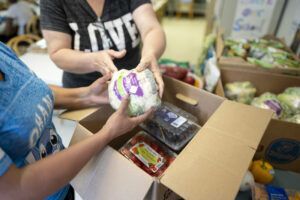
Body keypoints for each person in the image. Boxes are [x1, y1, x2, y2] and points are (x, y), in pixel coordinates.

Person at [0, 42, 153, 200]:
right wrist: (107, 133)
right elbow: (14, 189)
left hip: (65, 183)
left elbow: (29, 92)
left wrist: (86, 96)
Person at [40, 0, 166, 97]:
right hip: (83, 94)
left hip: (135, 88)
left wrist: (150, 53)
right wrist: (94, 60)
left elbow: (151, 29)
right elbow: (58, 52)